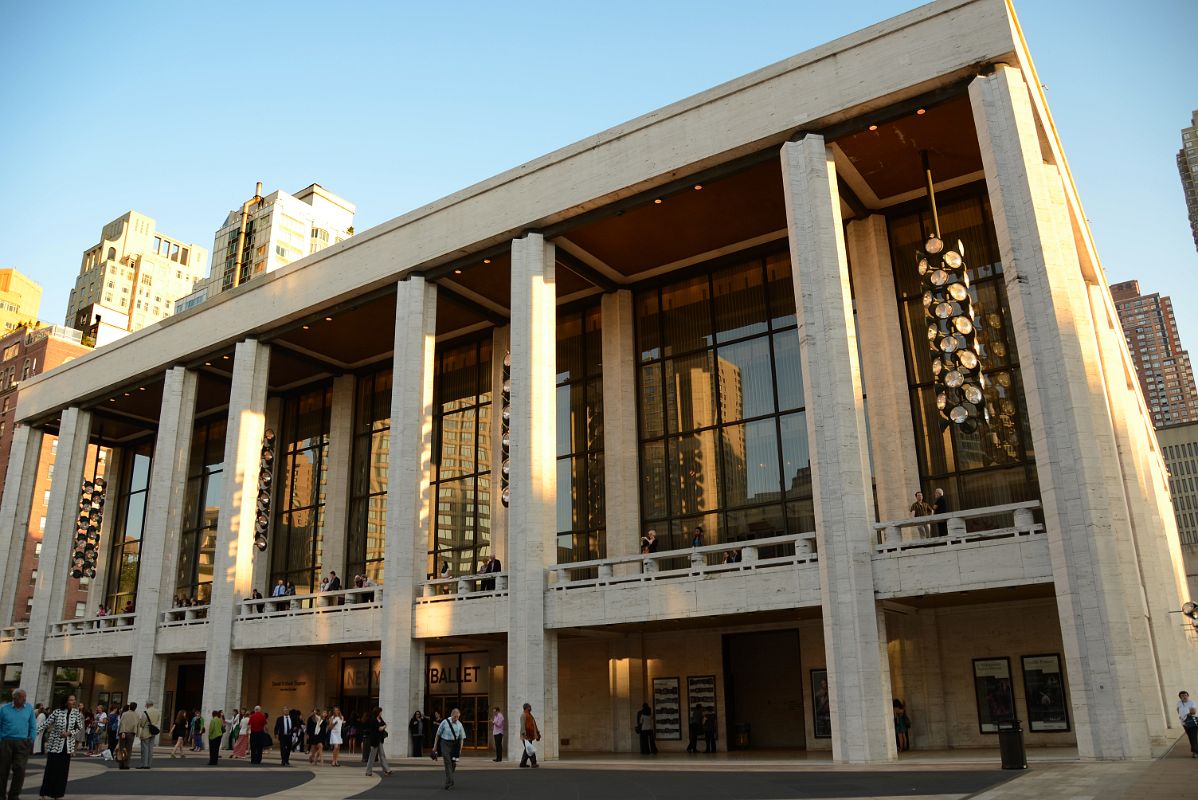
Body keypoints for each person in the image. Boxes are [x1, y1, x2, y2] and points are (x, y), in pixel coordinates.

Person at [36, 694, 82, 800]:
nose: (73, 702)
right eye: (71, 700)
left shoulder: (76, 713)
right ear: (66, 701)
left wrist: (70, 732)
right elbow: (45, 724)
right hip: (55, 745)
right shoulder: (57, 712)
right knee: (51, 769)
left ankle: (58, 794)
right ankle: (44, 793)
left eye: (74, 700)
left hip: (67, 746)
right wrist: (34, 732)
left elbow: (79, 726)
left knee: (62, 771)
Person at [0, 689, 36, 800]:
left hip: (22, 743)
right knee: (2, 770)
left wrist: (31, 739)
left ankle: (14, 795)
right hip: (6, 742)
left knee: (20, 769)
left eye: (25, 697)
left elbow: (33, 726)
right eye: (22, 697)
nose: (24, 699)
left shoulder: (29, 708)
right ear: (14, 698)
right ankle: (1, 795)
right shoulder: (4, 709)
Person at [434, 707, 466, 790]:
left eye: (458, 717)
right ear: (452, 715)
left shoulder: (459, 724)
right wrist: (435, 747)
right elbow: (438, 734)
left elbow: (461, 738)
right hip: (445, 743)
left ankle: (449, 779)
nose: (456, 718)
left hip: (455, 745)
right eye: (455, 716)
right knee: (447, 761)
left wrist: (460, 750)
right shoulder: (444, 722)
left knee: (453, 763)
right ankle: (449, 781)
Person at [362, 707, 393, 777]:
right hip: (374, 740)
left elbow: (384, 725)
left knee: (382, 754)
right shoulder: (373, 720)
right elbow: (379, 729)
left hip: (379, 739)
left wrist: (383, 726)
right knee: (372, 756)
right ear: (377, 712)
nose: (381, 713)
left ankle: (387, 770)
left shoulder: (380, 719)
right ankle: (368, 771)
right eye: (380, 712)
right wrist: (383, 727)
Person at [137, 700, 161, 769]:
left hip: (146, 732)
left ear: (147, 704)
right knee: (150, 749)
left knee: (144, 749)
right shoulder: (157, 711)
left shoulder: (146, 712)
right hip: (153, 731)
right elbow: (157, 720)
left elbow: (142, 724)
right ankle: (149, 764)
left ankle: (144, 764)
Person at [118, 702, 140, 769]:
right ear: (135, 708)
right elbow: (138, 725)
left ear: (130, 706)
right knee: (129, 749)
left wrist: (123, 731)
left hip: (123, 733)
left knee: (121, 748)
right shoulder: (137, 715)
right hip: (131, 733)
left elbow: (122, 723)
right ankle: (126, 764)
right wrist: (137, 733)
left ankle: (121, 764)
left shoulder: (125, 713)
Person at [518, 702, 541, 768]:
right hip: (526, 735)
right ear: (526, 708)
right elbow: (522, 726)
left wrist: (536, 732)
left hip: (529, 735)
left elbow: (533, 725)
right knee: (530, 749)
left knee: (527, 749)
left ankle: (522, 763)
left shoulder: (529, 715)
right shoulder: (523, 715)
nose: (531, 708)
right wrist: (524, 734)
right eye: (529, 707)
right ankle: (533, 763)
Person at [1179, 691, 1198, 758]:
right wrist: (1182, 717)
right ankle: (1194, 751)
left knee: (1193, 737)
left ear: (1188, 696)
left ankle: (1195, 752)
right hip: (1184, 723)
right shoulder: (1179, 703)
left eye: (1185, 695)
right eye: (1182, 696)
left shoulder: (1191, 702)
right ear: (1180, 697)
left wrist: (1186, 715)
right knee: (1190, 737)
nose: (1184, 697)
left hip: (1192, 722)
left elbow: (1194, 711)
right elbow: (1178, 710)